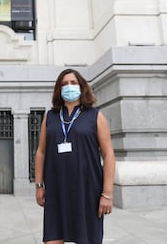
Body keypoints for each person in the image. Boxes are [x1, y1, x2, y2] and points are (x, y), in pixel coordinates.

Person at [35, 68, 115, 244]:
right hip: (56, 189)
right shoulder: (50, 117)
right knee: (52, 239)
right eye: (64, 84)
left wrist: (107, 194)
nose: (68, 87)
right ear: (58, 89)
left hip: (88, 190)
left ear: (82, 87)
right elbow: (41, 151)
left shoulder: (95, 116)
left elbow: (109, 154)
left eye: (73, 83)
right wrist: (39, 185)